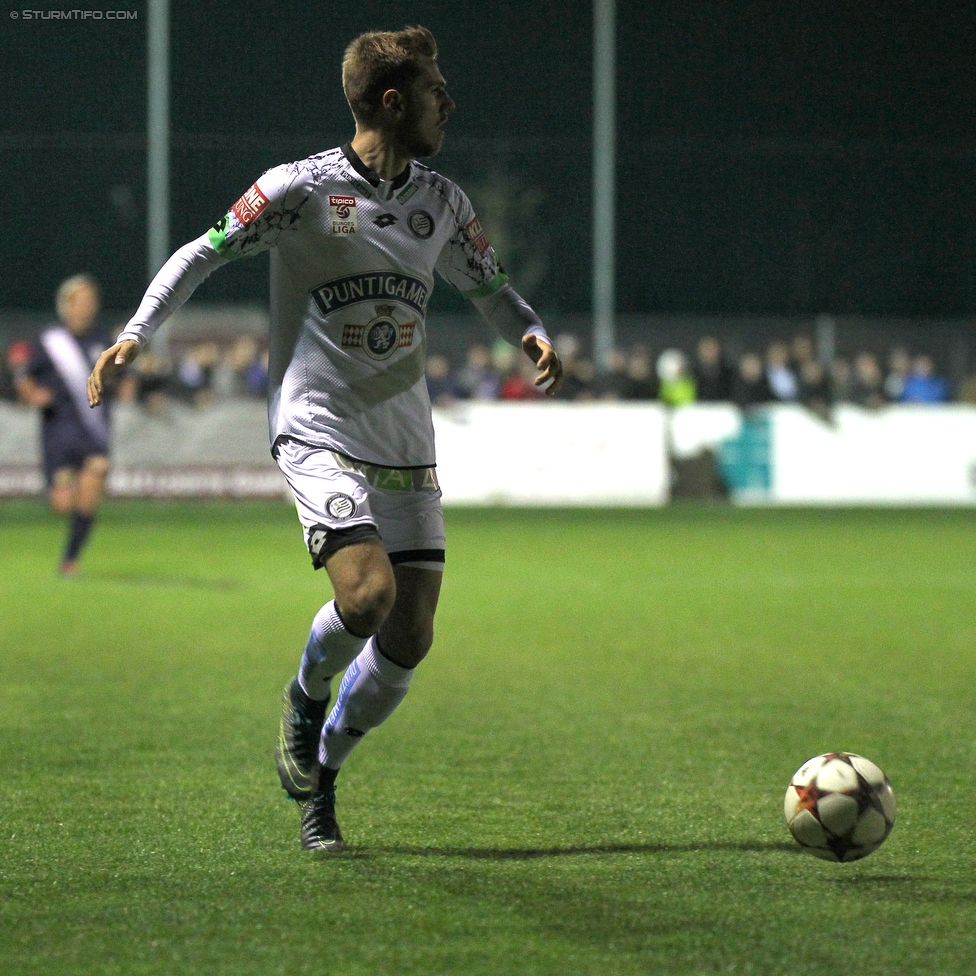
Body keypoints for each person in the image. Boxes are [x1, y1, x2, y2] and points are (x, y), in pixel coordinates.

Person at [87, 26, 563, 852]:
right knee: (366, 597)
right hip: (318, 428)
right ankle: (306, 698)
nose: (447, 103)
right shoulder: (298, 191)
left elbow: (491, 288)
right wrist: (138, 332)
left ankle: (324, 779)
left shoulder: (442, 203)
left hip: (405, 436)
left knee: (410, 635)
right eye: (433, 90)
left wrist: (530, 332)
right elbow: (200, 255)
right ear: (391, 99)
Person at [15, 275, 112, 575]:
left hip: (94, 428)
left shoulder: (102, 340)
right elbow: (24, 377)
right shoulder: (49, 342)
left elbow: (119, 374)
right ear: (67, 305)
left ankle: (70, 559)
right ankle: (58, 492)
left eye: (90, 300)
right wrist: (32, 394)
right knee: (62, 503)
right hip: (58, 430)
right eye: (80, 301)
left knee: (91, 488)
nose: (87, 306)